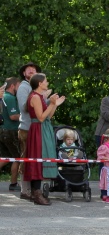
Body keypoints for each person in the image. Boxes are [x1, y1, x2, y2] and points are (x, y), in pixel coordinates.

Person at [23, 73, 66, 206]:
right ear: (40, 83)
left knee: (40, 159)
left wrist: (54, 105)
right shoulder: (35, 97)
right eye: (45, 81)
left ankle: (36, 192)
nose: (47, 83)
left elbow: (49, 116)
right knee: (37, 158)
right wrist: (51, 103)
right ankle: (36, 193)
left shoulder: (40, 97)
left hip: (42, 128)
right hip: (38, 129)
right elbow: (41, 117)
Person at [16, 62, 42, 200]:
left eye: (34, 69)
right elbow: (24, 107)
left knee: (34, 159)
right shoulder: (23, 87)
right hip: (26, 128)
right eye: (29, 69)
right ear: (24, 73)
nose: (32, 71)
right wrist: (36, 98)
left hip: (36, 128)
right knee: (25, 158)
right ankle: (25, 190)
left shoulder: (36, 88)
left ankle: (34, 189)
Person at [0, 77, 22, 190]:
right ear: (12, 86)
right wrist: (25, 116)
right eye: (18, 85)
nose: (19, 88)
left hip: (3, 130)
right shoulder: (10, 98)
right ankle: (13, 184)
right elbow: (13, 116)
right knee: (17, 158)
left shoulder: (2, 97)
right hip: (11, 131)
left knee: (4, 157)